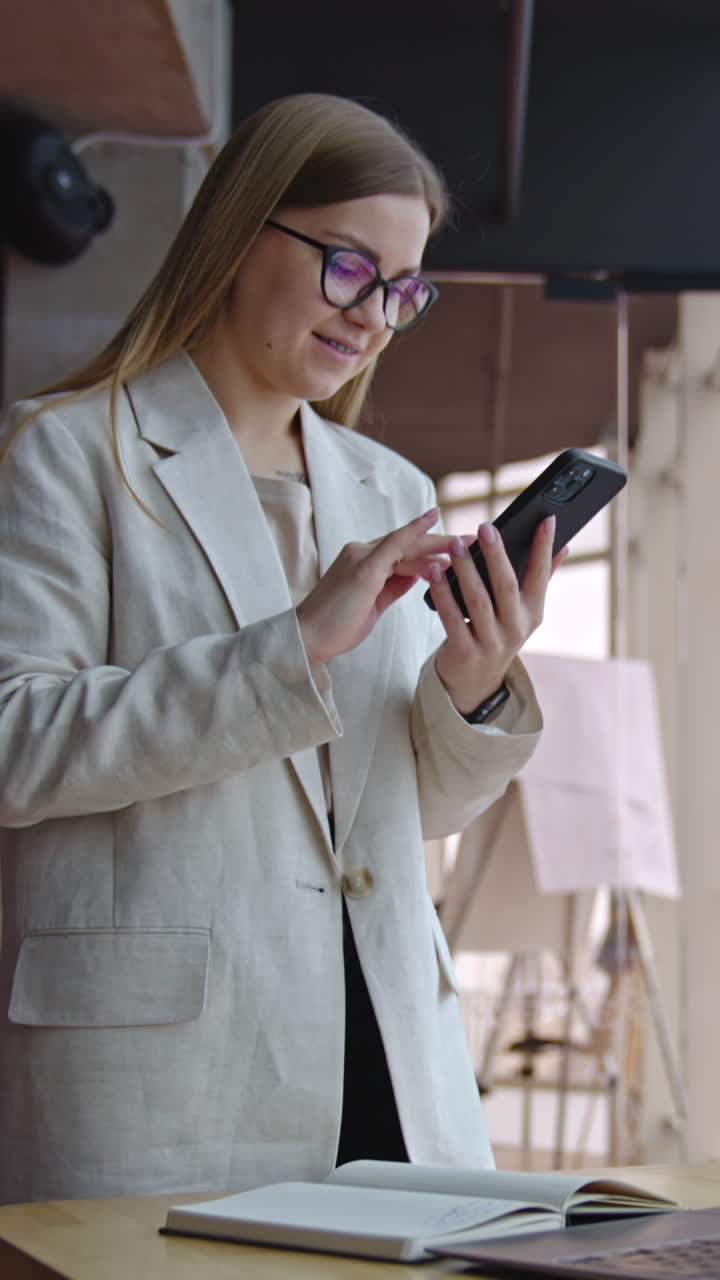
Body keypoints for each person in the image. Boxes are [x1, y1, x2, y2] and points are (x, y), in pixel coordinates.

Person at [0, 92, 558, 1205]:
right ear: (243, 227)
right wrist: (294, 645)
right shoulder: (68, 451)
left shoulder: (388, 486)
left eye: (402, 290)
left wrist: (471, 686)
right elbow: (18, 744)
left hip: (394, 1053)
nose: (375, 316)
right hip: (166, 1076)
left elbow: (406, 814)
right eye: (350, 268)